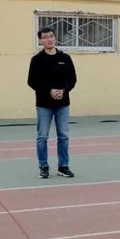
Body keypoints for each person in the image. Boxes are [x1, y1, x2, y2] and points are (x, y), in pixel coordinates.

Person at [27, 27, 77, 179]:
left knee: (64, 136)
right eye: (45, 37)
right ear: (40, 41)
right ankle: (43, 166)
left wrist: (64, 90)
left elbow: (72, 79)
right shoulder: (36, 60)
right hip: (44, 105)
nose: (49, 39)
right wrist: (49, 91)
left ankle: (63, 166)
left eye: (51, 36)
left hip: (63, 104)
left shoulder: (65, 58)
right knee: (42, 137)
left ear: (55, 38)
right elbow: (32, 81)